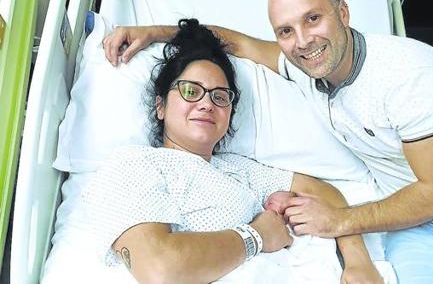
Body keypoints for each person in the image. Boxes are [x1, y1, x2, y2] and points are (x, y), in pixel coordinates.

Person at [102, 0, 433, 283]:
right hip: (421, 225)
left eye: (313, 19)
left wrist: (345, 233)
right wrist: (154, 31)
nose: (303, 41)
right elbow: (236, 43)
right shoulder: (305, 69)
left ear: (343, 12)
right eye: (286, 30)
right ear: (160, 106)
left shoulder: (409, 75)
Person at [85, 18, 384, 283]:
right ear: (161, 106)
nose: (206, 103)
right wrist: (257, 236)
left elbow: (325, 193)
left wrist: (358, 260)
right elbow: (160, 270)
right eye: (191, 91)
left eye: (219, 96)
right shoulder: (134, 164)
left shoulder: (239, 169)